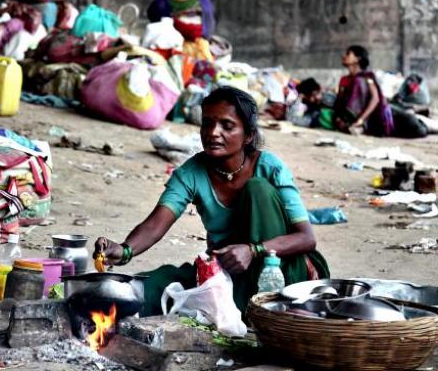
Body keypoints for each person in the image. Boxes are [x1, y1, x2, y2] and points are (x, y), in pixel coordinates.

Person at [93, 86, 330, 315]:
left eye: (227, 126)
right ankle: (238, 304)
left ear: (248, 135)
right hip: (228, 272)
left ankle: (261, 306)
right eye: (207, 123)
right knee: (146, 289)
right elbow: (157, 222)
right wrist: (125, 250)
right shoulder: (191, 173)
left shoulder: (270, 167)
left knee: (257, 190)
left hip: (283, 273)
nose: (213, 132)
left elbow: (306, 238)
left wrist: (253, 250)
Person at [333, 45, 394, 136]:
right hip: (347, 117)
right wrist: (338, 118)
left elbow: (375, 99)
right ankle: (348, 124)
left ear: (357, 59)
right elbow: (339, 102)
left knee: (359, 81)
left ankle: (360, 126)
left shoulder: (367, 78)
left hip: (367, 118)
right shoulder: (344, 79)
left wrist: (361, 120)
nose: (344, 56)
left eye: (348, 54)